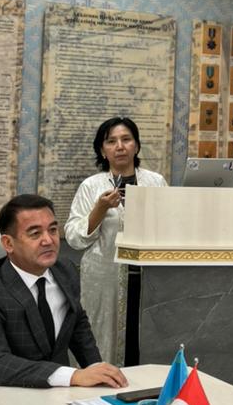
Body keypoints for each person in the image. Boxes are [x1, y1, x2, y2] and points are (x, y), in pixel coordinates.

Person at [0, 194, 127, 390]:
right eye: (35, 234)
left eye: (53, 230)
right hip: (1, 395)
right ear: (8, 244)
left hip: (58, 393)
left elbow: (77, 325)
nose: (48, 240)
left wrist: (97, 371)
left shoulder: (65, 271)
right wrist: (73, 375)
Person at [64, 117, 166, 365]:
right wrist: (100, 209)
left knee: (144, 346)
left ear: (136, 146)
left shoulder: (155, 182)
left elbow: (169, 225)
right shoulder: (91, 186)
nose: (120, 146)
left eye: (126, 139)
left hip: (149, 280)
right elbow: (74, 237)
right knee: (102, 345)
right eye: (111, 141)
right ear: (103, 150)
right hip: (105, 281)